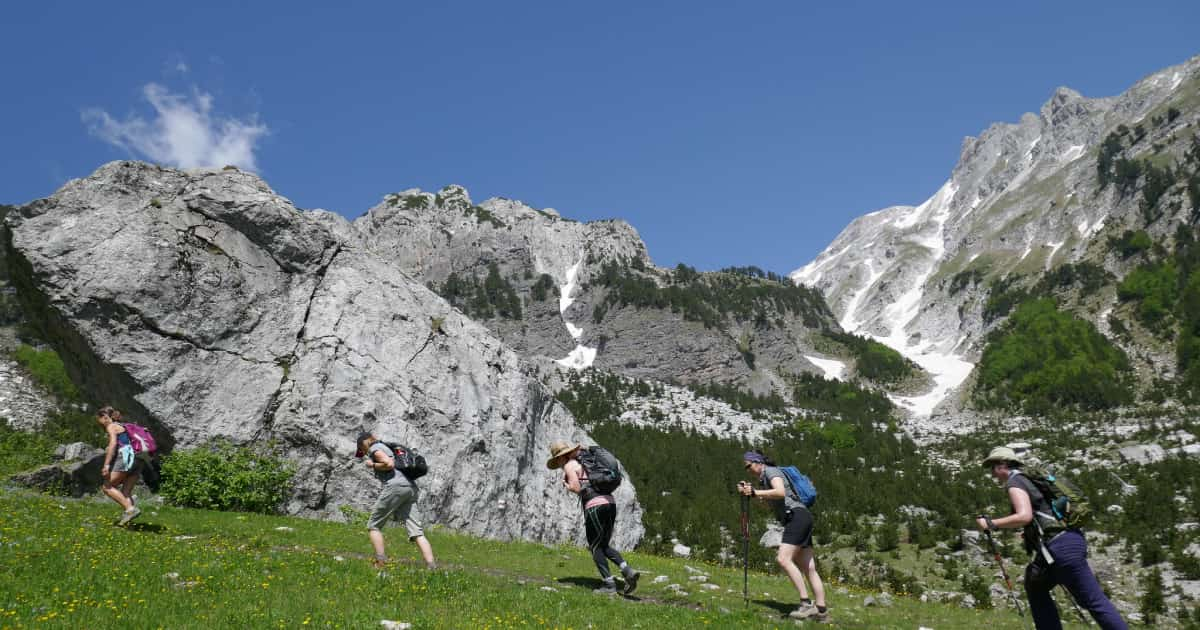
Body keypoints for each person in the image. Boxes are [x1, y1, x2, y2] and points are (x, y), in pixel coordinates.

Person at [976, 446, 1127, 630]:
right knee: (1035, 584)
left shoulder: (1015, 482)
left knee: (1093, 601)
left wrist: (991, 523)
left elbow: (1024, 516)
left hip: (1059, 548)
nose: (992, 474)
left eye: (993, 468)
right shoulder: (1031, 480)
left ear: (1003, 465)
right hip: (1068, 542)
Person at [738, 450, 828, 622]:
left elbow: (780, 492)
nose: (748, 470)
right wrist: (751, 493)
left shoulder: (771, 471)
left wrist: (756, 492)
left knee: (783, 559)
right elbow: (769, 505)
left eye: (749, 466)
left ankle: (806, 604)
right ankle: (821, 610)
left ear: (758, 462)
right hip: (802, 516)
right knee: (808, 567)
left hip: (796, 517)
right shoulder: (765, 480)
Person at [547, 440, 639, 595]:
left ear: (561, 457)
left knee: (595, 547)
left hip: (594, 506)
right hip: (610, 503)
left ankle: (609, 585)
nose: (558, 463)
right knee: (604, 545)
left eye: (557, 460)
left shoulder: (570, 465)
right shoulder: (589, 461)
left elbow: (577, 488)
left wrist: (569, 487)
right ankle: (627, 571)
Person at [355, 431, 436, 570]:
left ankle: (380, 563)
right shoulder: (388, 447)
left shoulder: (375, 448)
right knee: (417, 532)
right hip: (410, 488)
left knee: (373, 526)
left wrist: (372, 465)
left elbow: (389, 464)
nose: (363, 453)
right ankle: (432, 566)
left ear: (364, 444)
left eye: (362, 450)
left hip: (396, 487)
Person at [96, 406, 141, 525]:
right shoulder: (123, 426)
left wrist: (106, 465)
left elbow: (113, 444)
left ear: (105, 417)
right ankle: (129, 522)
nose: (99, 423)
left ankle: (130, 509)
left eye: (99, 420)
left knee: (107, 487)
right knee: (125, 492)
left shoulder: (111, 426)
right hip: (137, 459)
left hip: (125, 458)